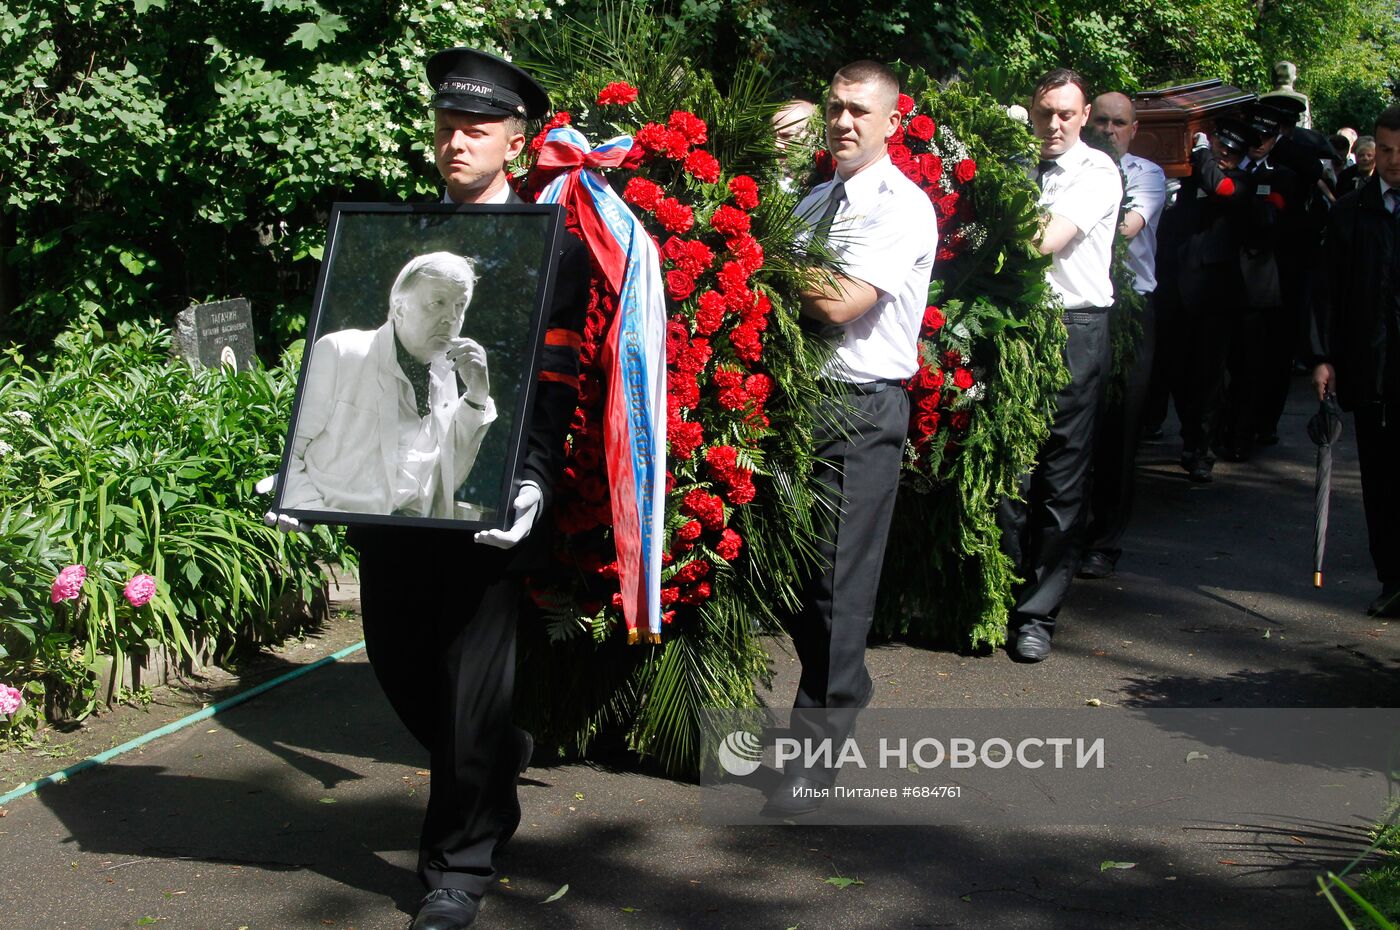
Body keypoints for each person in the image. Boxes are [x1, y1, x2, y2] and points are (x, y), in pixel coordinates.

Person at [271, 48, 590, 930]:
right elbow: (339, 378)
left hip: (484, 511)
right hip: (392, 510)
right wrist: (303, 469)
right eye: (447, 126)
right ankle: (494, 758)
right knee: (399, 662)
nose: (457, 142)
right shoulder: (402, 240)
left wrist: (527, 481)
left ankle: (458, 867)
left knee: (468, 685)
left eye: (477, 129)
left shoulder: (553, 249)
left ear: (516, 143)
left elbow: (552, 382)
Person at [765, 59, 937, 814]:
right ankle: (839, 691)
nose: (843, 122)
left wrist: (771, 252)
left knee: (839, 587)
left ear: (893, 122)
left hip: (862, 410)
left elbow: (839, 303)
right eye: (835, 108)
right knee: (799, 582)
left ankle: (817, 753)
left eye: (860, 111)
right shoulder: (809, 203)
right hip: (799, 403)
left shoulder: (901, 206)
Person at [996, 69, 1122, 660]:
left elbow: (1042, 237)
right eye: (1045, 112)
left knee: (1061, 475)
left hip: (1074, 328)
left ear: (1085, 113)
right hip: (1015, 324)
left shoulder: (1097, 171)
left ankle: (1038, 615)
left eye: (1067, 114)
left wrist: (982, 218)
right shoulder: (1017, 164)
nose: (1054, 125)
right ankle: (999, 597)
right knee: (1008, 470)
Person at [281, 252, 496, 520]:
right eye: (438, 302)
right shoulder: (341, 352)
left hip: (412, 540)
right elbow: (288, 453)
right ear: (399, 308)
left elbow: (448, 480)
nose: (451, 318)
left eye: (460, 305)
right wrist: (314, 517)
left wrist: (477, 396)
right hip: (337, 537)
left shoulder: (448, 371)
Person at [1309, 103, 1400, 620]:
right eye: (1384, 150)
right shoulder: (1351, 211)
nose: (1391, 161)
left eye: (1398, 152)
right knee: (1382, 480)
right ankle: (1392, 576)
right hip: (1370, 368)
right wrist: (1322, 356)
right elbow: (1326, 291)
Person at [1078, 92, 1167, 580]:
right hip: (1087, 307)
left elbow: (1125, 229)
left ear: (1133, 129)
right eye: (1103, 121)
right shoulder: (1073, 165)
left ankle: (1104, 541)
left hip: (1132, 310)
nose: (1109, 131)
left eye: (1119, 123)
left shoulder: (1146, 175)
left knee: (1119, 428)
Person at [1171, 117, 1259, 482]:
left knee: (1208, 377)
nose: (1224, 156)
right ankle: (1190, 437)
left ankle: (1201, 448)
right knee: (1179, 373)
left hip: (1215, 297)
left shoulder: (1240, 182)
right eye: (1220, 147)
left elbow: (1219, 186)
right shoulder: (1193, 174)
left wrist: (1204, 150)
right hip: (1177, 289)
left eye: (1231, 152)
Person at [1260, 61, 1313, 130]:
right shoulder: (1302, 98)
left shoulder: (1263, 98)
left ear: (1273, 78)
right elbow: (1305, 126)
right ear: (1294, 78)